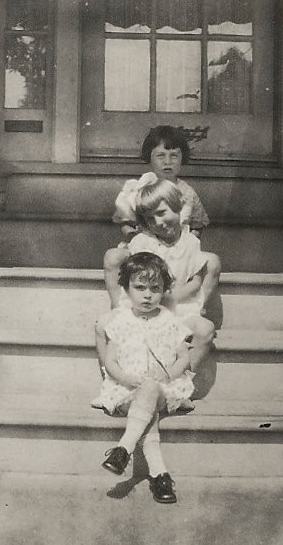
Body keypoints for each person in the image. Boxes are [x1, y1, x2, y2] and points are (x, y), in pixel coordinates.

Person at [91, 252, 195, 504]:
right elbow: (110, 361)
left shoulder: (169, 320)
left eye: (155, 288)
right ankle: (160, 476)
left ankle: (123, 449)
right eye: (139, 287)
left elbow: (184, 358)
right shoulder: (121, 321)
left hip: (163, 389)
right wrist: (126, 378)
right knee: (147, 415)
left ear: (164, 291)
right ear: (126, 289)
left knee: (150, 389)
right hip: (127, 388)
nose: (147, 295)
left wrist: (168, 373)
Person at [96, 178, 219, 374]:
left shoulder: (191, 243)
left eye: (162, 213)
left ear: (178, 207)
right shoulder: (142, 242)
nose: (158, 223)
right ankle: (112, 381)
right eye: (150, 219)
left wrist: (174, 296)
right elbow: (132, 277)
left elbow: (196, 280)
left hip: (177, 310)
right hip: (144, 308)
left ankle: (181, 382)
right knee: (103, 325)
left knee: (205, 329)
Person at [104, 125, 211, 309]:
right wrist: (134, 237)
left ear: (182, 158)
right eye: (160, 156)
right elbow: (123, 220)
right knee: (112, 257)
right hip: (144, 248)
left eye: (174, 156)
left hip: (179, 249)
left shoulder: (187, 192)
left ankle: (195, 309)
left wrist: (188, 242)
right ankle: (119, 308)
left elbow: (198, 224)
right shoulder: (140, 188)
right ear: (150, 158)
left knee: (212, 262)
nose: (167, 162)